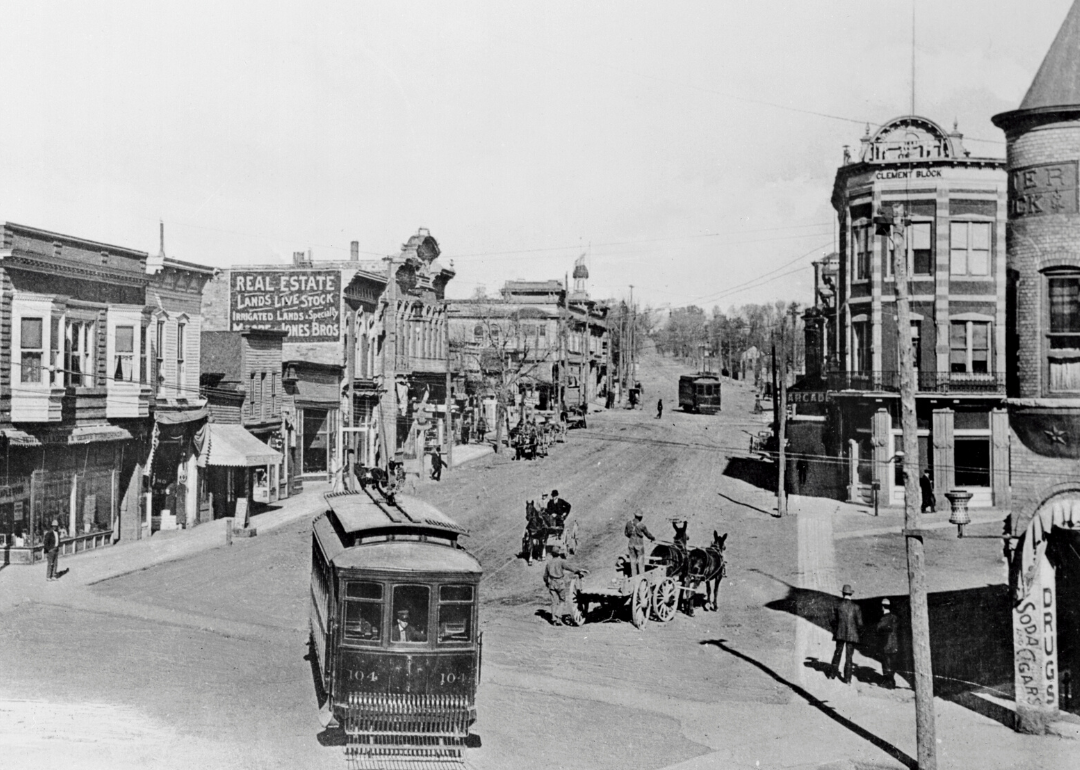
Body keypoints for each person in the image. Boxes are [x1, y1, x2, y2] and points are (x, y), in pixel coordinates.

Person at [543, 543, 587, 626]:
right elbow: (570, 567)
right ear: (558, 553)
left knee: (553, 602)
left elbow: (545, 576)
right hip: (560, 583)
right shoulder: (561, 561)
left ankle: (553, 619)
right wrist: (578, 570)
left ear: (552, 554)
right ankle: (558, 617)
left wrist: (547, 583)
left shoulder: (548, 563)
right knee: (562, 600)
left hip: (552, 583)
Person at [829, 584, 864, 684]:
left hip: (840, 633)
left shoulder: (838, 606)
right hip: (852, 635)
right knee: (849, 656)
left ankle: (832, 674)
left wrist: (836, 629)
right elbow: (860, 624)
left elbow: (832, 620)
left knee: (837, 653)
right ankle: (847, 679)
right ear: (850, 594)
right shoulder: (856, 607)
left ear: (842, 593)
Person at [876, 598, 899, 689]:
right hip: (895, 644)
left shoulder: (883, 619)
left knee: (886, 664)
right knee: (892, 664)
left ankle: (889, 683)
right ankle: (892, 681)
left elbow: (877, 630)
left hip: (885, 644)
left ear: (882, 607)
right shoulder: (895, 617)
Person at [624, 511, 655, 575]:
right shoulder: (642, 525)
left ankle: (634, 577)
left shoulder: (628, 523)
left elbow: (626, 533)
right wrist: (653, 538)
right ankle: (641, 576)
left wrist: (632, 536)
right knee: (641, 562)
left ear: (635, 516)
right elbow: (648, 534)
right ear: (641, 517)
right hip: (639, 545)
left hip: (631, 544)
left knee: (633, 562)